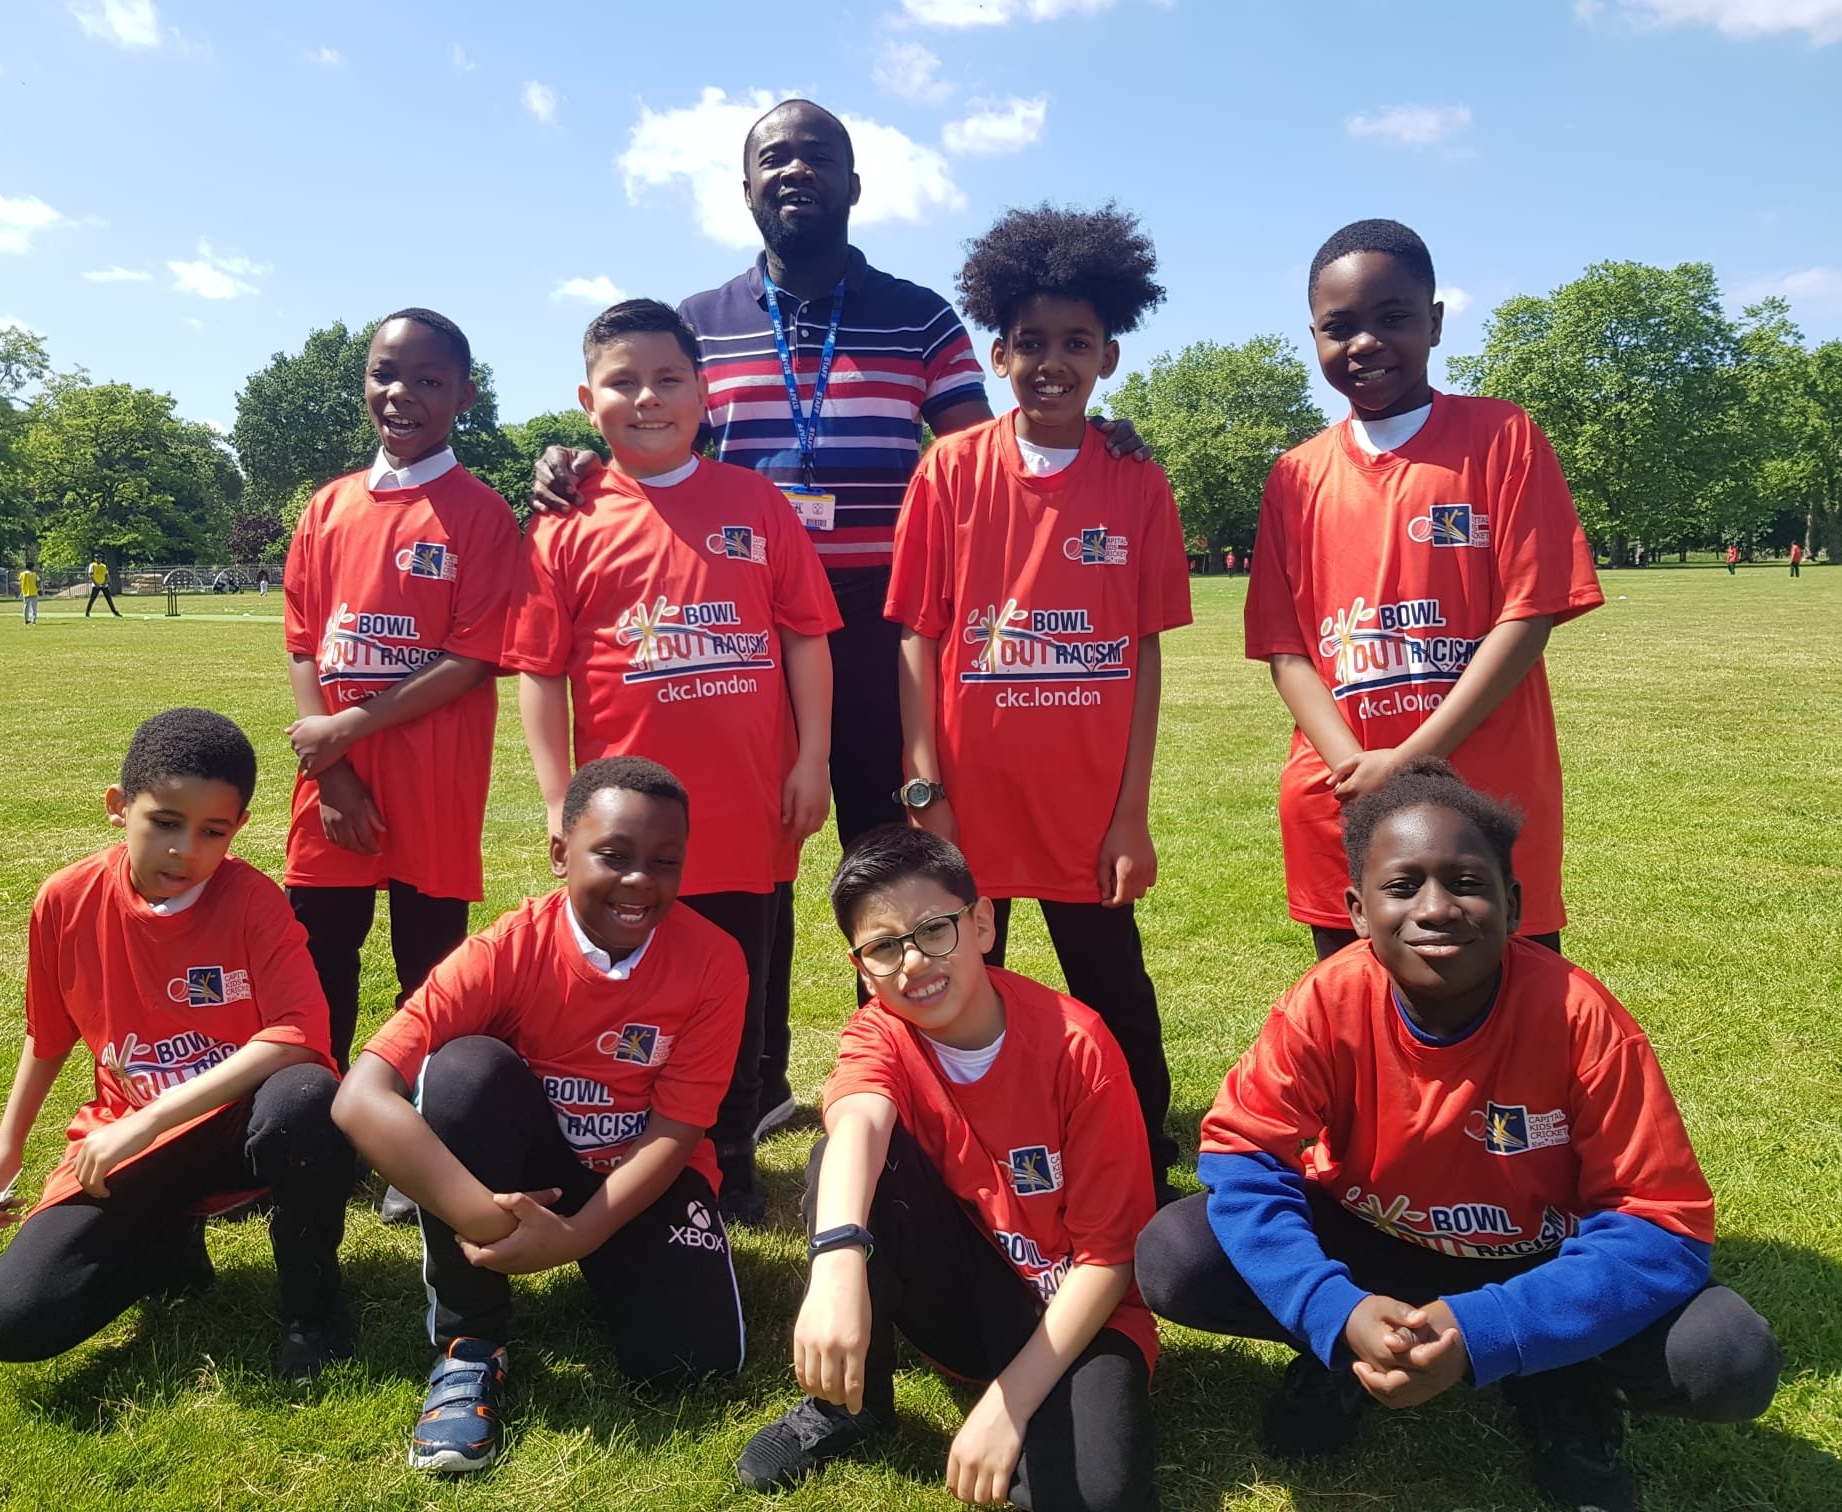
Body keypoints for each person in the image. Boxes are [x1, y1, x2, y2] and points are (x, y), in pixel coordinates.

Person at [530, 100, 1153, 1144]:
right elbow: (654, 429)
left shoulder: (920, 317)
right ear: (745, 187)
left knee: (897, 864)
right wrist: (572, 460)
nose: (797, 172)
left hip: (884, 624)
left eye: (819, 156)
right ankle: (753, 1080)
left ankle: (910, 1079)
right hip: (736, 624)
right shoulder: (699, 318)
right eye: (774, 158)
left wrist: (1093, 432)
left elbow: (996, 446)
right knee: (745, 857)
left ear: (855, 184)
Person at [1136, 759, 1781, 1512]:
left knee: (1725, 1357)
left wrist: (1485, 1328)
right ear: (1357, 912)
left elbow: (1662, 1227)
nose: (1436, 908)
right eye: (1403, 886)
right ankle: (1344, 1355)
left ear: (1514, 904)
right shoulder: (1328, 1001)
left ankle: (1559, 1378)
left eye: (1467, 883)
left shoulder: (1579, 1020)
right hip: (1373, 1246)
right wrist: (1334, 1309)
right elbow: (1244, 1157)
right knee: (1177, 1255)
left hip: (1538, 1263)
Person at [505, 299, 839, 1225]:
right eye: (623, 382)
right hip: (628, 829)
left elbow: (807, 640)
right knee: (633, 987)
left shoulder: (756, 504)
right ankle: (622, 1145)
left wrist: (811, 759)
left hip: (743, 811)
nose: (647, 398)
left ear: (704, 392)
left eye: (667, 379)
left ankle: (727, 1160)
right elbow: (539, 673)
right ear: (588, 401)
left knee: (738, 991)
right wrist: (559, 799)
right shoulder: (566, 523)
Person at [890, 203, 1190, 1202]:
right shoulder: (950, 469)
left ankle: (1141, 1154)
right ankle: (954, 1154)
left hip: (1086, 809)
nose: (1051, 363)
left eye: (1075, 343)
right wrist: (924, 786)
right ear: (998, 352)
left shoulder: (1136, 479)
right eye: (1030, 343)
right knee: (960, 980)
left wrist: (1131, 814)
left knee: (1113, 985)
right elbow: (917, 634)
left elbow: (1142, 653)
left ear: (1109, 354)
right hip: (970, 803)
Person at [332, 756, 748, 1474]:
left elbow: (677, 1131)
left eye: (664, 861)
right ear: (560, 853)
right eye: (613, 855)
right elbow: (359, 1096)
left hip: (639, 1175)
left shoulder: (714, 961)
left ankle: (611, 1266)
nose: (640, 880)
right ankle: (470, 1343)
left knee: (693, 1364)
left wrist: (577, 1236)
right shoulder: (509, 948)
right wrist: (496, 1225)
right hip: (527, 1179)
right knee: (463, 1072)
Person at [736, 827, 1156, 1511]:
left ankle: (1030, 1413)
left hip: (1080, 1312)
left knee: (1099, 1497)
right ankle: (850, 1406)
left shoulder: (1076, 1045)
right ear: (861, 967)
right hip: (959, 1296)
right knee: (843, 1159)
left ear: (982, 923)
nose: (913, 962)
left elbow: (1108, 1261)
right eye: (883, 947)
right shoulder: (881, 1029)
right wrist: (837, 1263)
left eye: (935, 930)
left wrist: (1008, 1405)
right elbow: (858, 1121)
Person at [1245, 218, 1603, 961]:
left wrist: (1408, 759)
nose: (1366, 342)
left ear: (1435, 323)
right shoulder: (1295, 475)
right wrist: (1360, 770)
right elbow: (1286, 650)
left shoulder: (1502, 436)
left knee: (1517, 1011)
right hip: (1342, 803)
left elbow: (1528, 615)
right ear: (1313, 336)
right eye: (1339, 327)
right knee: (1358, 1009)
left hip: (1486, 801)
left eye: (1393, 317)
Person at [0, 708, 354, 1379]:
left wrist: (148, 1121)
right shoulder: (65, 900)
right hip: (131, 1136)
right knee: (12, 1322)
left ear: (238, 829)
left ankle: (312, 1315)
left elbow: (298, 1036)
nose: (186, 850)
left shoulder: (254, 901)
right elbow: (48, 1035)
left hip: (235, 1128)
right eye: (166, 823)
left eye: (213, 832)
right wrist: (8, 1146)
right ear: (119, 806)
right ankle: (167, 1245)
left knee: (306, 1099)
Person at [280, 307, 520, 1081]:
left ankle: (412, 1111)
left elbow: (472, 658)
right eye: (384, 374)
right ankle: (314, 1112)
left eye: (428, 380)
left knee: (429, 965)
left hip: (434, 777)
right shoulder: (327, 507)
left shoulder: (482, 514)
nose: (401, 394)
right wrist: (333, 769)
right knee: (318, 952)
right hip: (333, 780)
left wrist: (345, 728)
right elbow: (303, 644)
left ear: (464, 396)